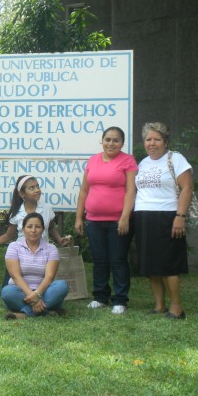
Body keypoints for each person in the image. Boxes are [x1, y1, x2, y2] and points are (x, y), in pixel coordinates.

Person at [75, 126, 138, 314]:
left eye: (116, 140)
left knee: (118, 260)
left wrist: (125, 217)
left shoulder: (128, 161)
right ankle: (100, 297)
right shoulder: (93, 160)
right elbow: (84, 190)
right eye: (108, 139)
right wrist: (79, 217)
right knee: (100, 260)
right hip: (94, 220)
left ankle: (120, 300)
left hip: (118, 220)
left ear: (122, 143)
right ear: (102, 140)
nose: (111, 143)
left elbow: (130, 191)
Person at [134, 122, 194, 320]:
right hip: (144, 216)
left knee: (169, 265)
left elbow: (187, 188)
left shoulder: (176, 159)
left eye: (157, 139)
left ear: (165, 141)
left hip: (168, 216)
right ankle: (159, 305)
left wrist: (180, 216)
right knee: (152, 265)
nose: (152, 143)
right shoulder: (142, 163)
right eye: (148, 139)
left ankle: (176, 308)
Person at [0, 175, 72, 286]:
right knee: (8, 291)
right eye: (32, 188)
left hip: (42, 256)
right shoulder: (17, 213)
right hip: (20, 257)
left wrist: (59, 239)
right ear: (22, 194)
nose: (37, 190)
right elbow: (8, 236)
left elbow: (51, 228)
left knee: (41, 287)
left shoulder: (47, 209)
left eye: (37, 186)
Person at [1, 213, 69, 319]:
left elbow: (49, 277)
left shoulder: (51, 249)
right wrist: (32, 296)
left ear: (43, 229)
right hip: (20, 292)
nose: (33, 230)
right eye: (29, 226)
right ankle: (47, 312)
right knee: (7, 292)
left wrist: (37, 294)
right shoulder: (14, 247)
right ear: (23, 229)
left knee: (62, 286)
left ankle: (25, 314)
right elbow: (16, 276)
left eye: (38, 227)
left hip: (44, 291)